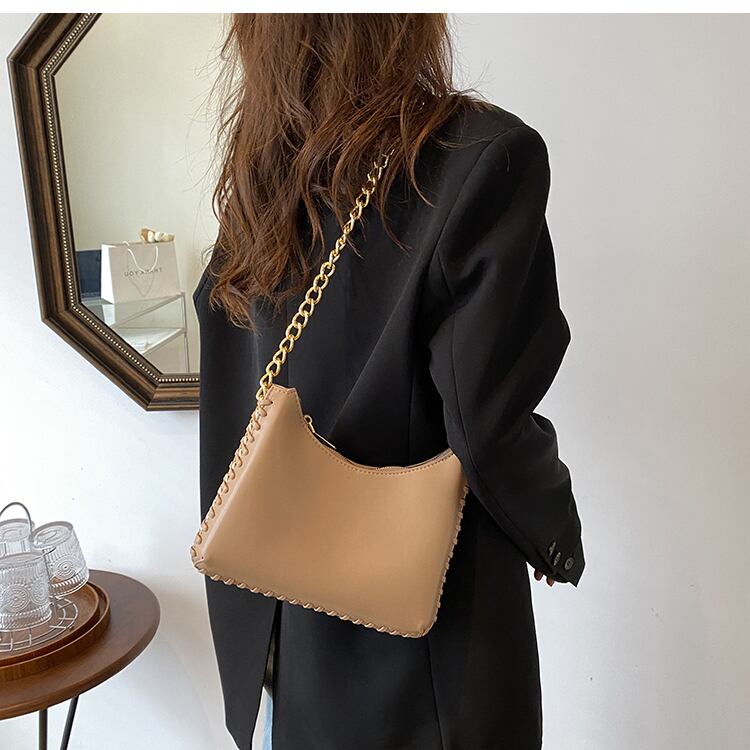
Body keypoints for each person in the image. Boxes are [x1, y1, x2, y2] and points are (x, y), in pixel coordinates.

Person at [195, 13, 586, 750]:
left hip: (272, 631)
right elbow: (486, 423)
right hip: (422, 653)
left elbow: (231, 393)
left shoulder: (259, 173)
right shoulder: (479, 158)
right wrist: (554, 532)